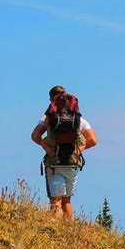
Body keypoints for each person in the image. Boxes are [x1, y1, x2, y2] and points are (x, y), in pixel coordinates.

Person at [31, 85, 98, 219]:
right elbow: (93, 140)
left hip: (55, 164)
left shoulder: (48, 117)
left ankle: (57, 233)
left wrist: (48, 149)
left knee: (56, 200)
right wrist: (77, 151)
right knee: (66, 200)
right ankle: (69, 232)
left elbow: (35, 136)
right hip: (72, 163)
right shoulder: (77, 118)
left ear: (51, 99)